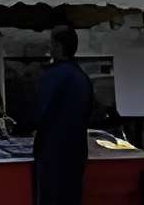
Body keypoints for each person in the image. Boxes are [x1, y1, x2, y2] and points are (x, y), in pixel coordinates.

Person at [31, 25, 100, 205]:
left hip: (52, 153)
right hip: (76, 151)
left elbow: (39, 113)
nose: (50, 47)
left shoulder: (53, 76)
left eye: (52, 43)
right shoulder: (82, 77)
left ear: (59, 46)